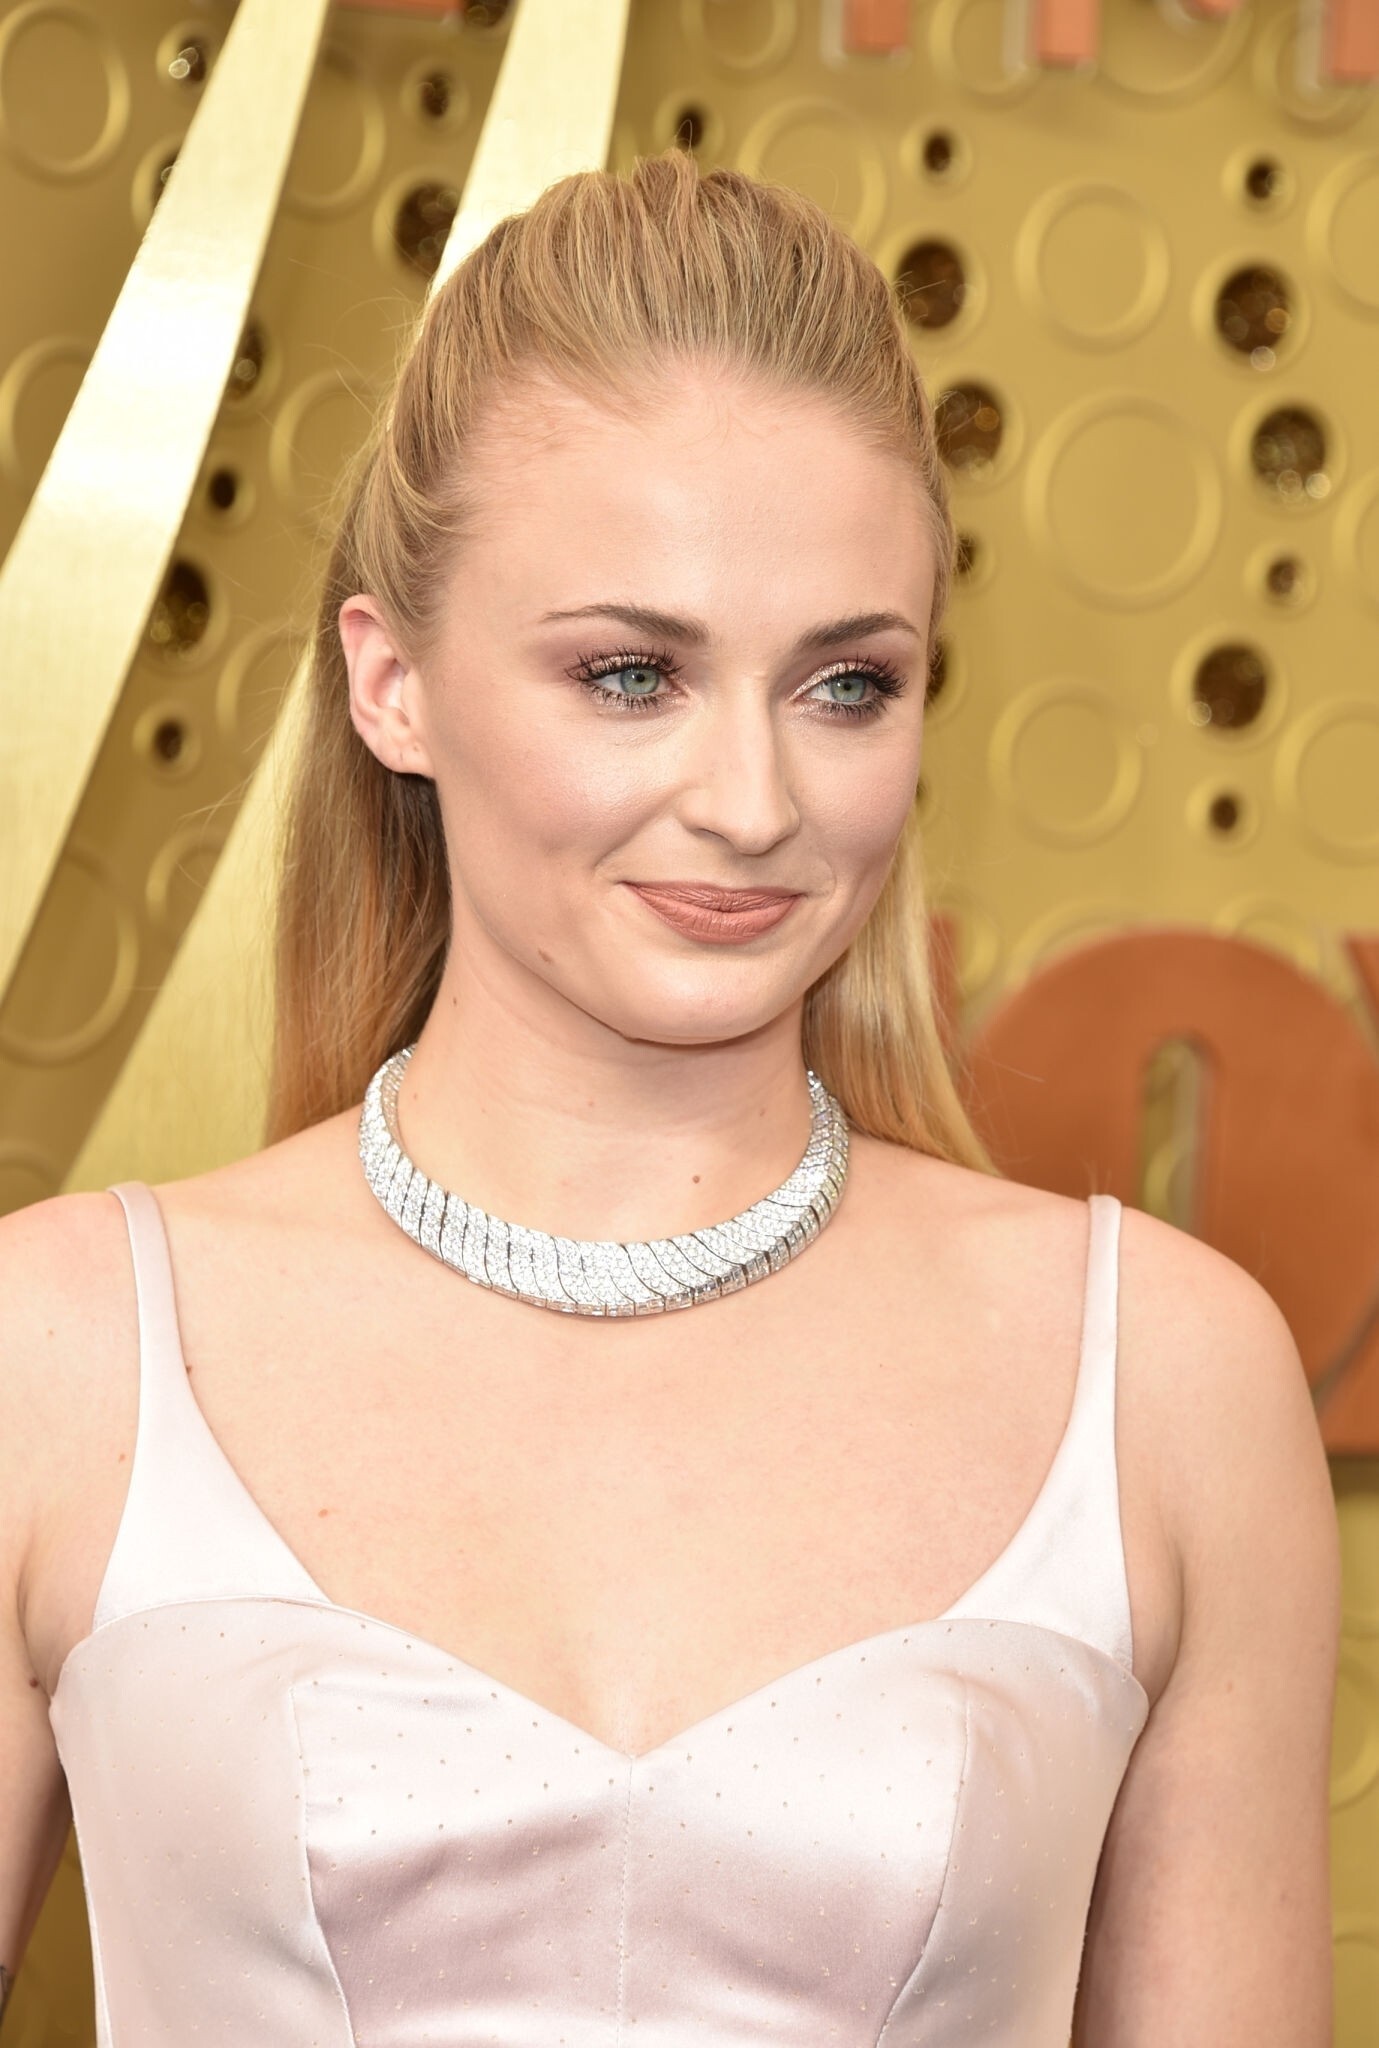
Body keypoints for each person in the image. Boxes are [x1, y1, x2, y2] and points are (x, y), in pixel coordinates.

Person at [0, 151, 1338, 2045]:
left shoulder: (1169, 1383)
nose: (753, 801)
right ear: (391, 686)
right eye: (633, 674)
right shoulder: (56, 1356)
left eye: (847, 687)